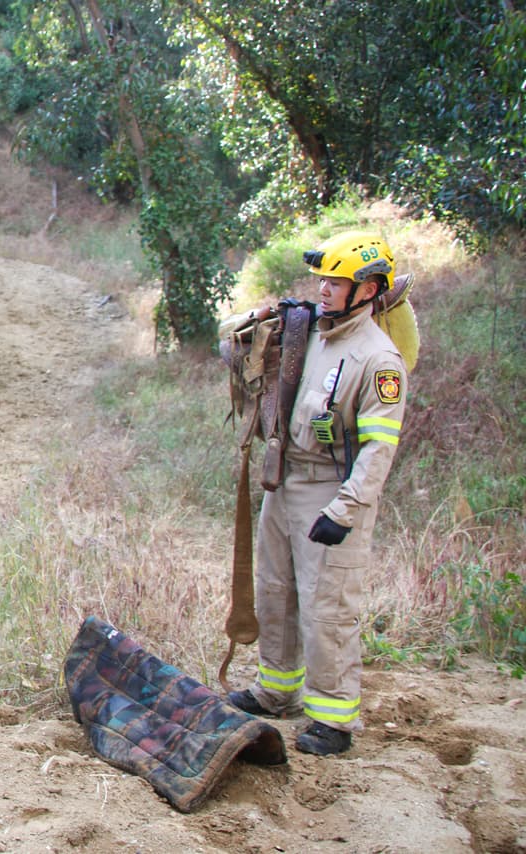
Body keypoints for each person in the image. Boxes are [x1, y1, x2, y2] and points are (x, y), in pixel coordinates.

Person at [224, 231, 408, 756]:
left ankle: (332, 717)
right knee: (275, 590)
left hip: (331, 488)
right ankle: (277, 689)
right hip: (285, 480)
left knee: (328, 605)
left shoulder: (378, 359)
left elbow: (379, 449)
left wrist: (345, 510)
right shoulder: (313, 333)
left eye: (337, 282)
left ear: (369, 289)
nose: (324, 290)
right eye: (323, 280)